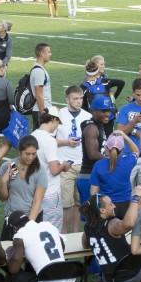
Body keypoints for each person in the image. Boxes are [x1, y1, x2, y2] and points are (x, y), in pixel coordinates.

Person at [80, 190, 141, 282]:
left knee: (104, 277)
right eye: (110, 204)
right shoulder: (112, 224)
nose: (114, 206)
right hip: (134, 278)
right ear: (102, 211)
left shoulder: (88, 228)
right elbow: (129, 224)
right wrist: (135, 198)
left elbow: (85, 245)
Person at [57, 86, 91, 233]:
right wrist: (66, 142)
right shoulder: (59, 115)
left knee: (79, 202)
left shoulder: (88, 116)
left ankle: (76, 232)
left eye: (80, 98)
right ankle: (64, 233)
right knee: (66, 203)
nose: (78, 101)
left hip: (83, 164)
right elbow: (49, 139)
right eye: (75, 99)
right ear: (67, 99)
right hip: (65, 165)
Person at [32, 108, 69, 232]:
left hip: (34, 191)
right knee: (52, 231)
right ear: (53, 119)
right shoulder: (50, 140)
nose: (57, 126)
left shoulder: (32, 136)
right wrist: (64, 166)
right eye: (58, 122)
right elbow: (54, 170)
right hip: (50, 192)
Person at [89, 131, 140, 220]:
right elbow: (136, 151)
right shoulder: (128, 162)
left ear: (106, 148)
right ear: (123, 149)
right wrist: (124, 136)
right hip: (126, 205)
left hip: (108, 206)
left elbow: (93, 192)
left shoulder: (98, 165)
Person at [30, 43, 53, 128]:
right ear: (42, 54)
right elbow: (38, 94)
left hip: (42, 109)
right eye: (49, 52)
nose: (50, 54)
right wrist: (43, 112)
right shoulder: (39, 71)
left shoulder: (40, 69)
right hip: (40, 110)